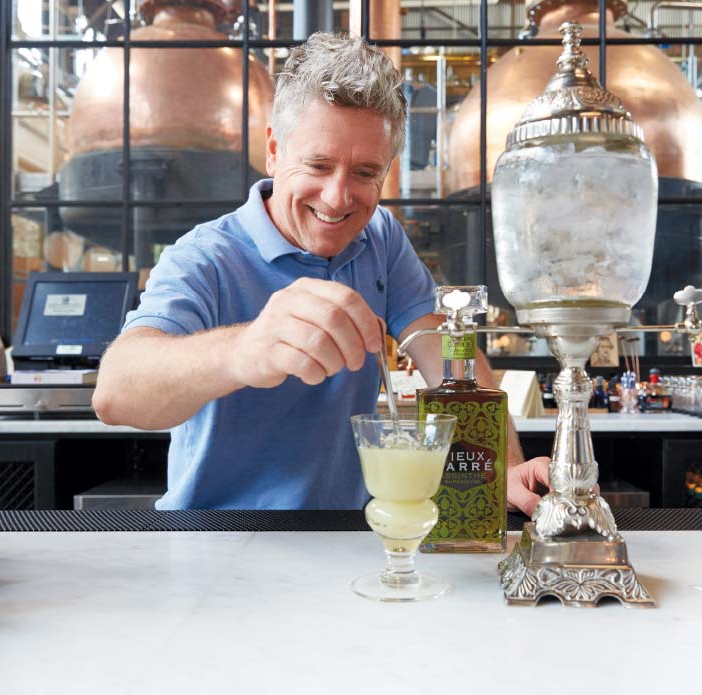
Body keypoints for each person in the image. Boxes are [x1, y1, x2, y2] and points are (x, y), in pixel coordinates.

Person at [94, 32, 550, 513]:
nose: (338, 198)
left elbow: (451, 358)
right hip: (213, 539)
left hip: (341, 538)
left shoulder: (381, 238)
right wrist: (246, 349)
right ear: (274, 150)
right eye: (318, 164)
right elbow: (117, 394)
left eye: (365, 173)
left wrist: (499, 465)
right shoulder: (205, 258)